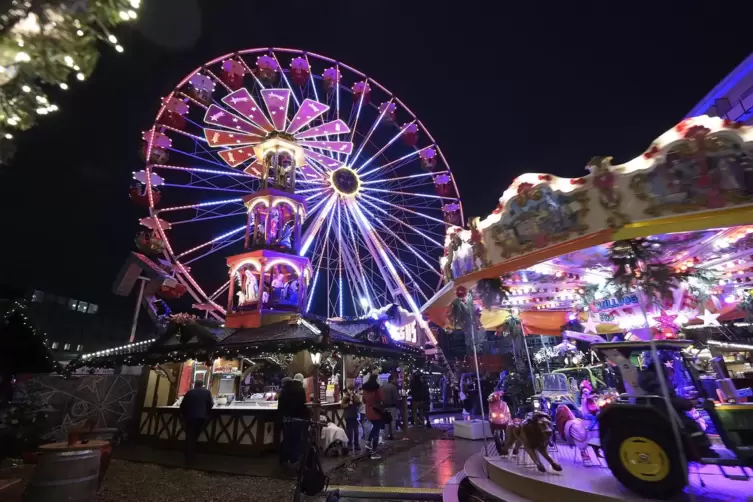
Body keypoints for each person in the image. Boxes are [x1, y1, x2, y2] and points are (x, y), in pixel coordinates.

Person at [278, 373, 309, 466]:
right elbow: (303, 405)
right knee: (296, 440)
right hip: (297, 419)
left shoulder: (284, 390)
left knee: (287, 439)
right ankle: (294, 460)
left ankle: (285, 459)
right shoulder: (301, 390)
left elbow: (280, 405)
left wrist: (281, 416)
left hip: (286, 418)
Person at [179, 380, 214, 464]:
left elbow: (182, 405)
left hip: (189, 417)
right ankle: (191, 454)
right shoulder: (207, 392)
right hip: (201, 417)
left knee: (189, 435)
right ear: (202, 385)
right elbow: (211, 404)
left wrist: (184, 414)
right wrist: (206, 412)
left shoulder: (189, 392)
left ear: (195, 384)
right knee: (195, 435)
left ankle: (188, 455)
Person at [361, 374, 385, 460]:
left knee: (375, 427)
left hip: (368, 410)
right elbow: (382, 397)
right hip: (376, 410)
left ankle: (368, 443)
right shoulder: (377, 387)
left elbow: (364, 400)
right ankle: (373, 451)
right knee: (376, 429)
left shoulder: (365, 388)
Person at [341, 385, 361, 453]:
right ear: (348, 390)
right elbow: (342, 406)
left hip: (354, 415)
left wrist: (353, 397)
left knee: (356, 431)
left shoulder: (355, 396)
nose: (351, 391)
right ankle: (349, 445)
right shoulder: (345, 397)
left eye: (352, 390)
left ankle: (356, 445)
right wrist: (348, 404)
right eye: (350, 389)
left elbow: (358, 402)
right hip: (348, 416)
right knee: (349, 431)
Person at [382, 375, 400, 440]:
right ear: (392, 379)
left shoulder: (384, 387)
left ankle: (386, 435)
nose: (397, 380)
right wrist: (398, 405)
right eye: (396, 379)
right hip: (392, 406)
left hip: (385, 406)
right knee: (392, 420)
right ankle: (393, 434)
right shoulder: (393, 387)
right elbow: (396, 398)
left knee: (386, 421)